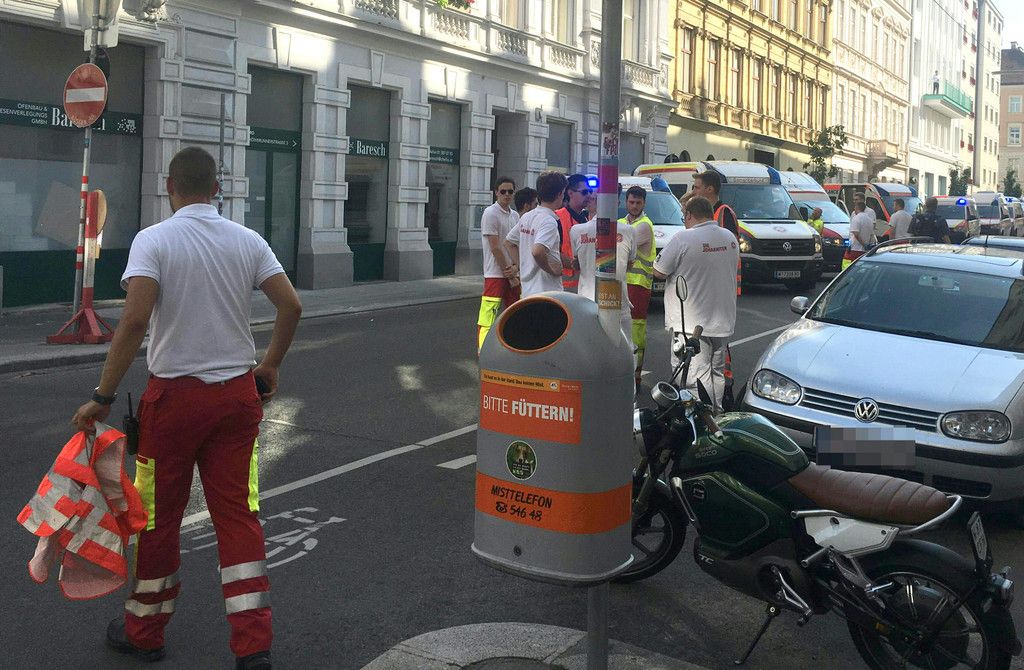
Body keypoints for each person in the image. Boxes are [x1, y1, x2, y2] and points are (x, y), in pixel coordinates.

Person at [71, 147, 302, 670]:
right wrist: (270, 365)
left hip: (173, 402)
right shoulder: (248, 241)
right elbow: (290, 304)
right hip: (236, 399)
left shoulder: (154, 240)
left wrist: (103, 397)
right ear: (216, 189)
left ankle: (145, 632)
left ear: (169, 186)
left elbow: (134, 321)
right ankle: (253, 645)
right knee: (238, 516)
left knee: (157, 519)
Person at [653, 197, 739, 414]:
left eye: (684, 217)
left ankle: (701, 420)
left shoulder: (683, 238)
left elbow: (659, 271)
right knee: (717, 373)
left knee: (694, 377)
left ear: (689, 215)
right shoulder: (729, 238)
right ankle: (717, 415)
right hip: (722, 320)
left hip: (690, 323)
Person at [570, 202, 637, 344]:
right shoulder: (628, 230)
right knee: (624, 347)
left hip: (586, 300)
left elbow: (577, 262)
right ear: (617, 202)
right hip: (616, 299)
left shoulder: (576, 230)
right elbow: (629, 264)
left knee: (589, 346)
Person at [505, 171, 567, 298]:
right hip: (547, 292)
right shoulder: (549, 221)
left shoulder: (527, 216)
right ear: (560, 194)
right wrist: (552, 269)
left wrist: (523, 266)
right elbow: (538, 251)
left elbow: (509, 243)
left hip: (527, 291)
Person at [477, 177, 521, 352]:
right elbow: (495, 247)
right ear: (496, 192)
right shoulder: (490, 213)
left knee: (515, 314)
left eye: (510, 191)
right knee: (488, 317)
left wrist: (516, 268)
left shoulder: (515, 215)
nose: (507, 195)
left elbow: (516, 244)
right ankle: (483, 351)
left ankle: (513, 348)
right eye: (503, 191)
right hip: (495, 274)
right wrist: (509, 273)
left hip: (513, 272)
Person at [681, 170, 741, 294]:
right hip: (708, 279)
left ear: (709, 189)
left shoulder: (724, 212)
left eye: (696, 188)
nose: (693, 192)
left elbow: (729, 247)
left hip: (721, 281)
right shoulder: (702, 213)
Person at [619, 186, 656, 390]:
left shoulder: (644, 225)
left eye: (638, 203)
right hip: (623, 283)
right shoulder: (622, 223)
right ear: (626, 202)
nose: (634, 206)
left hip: (639, 286)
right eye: (631, 202)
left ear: (644, 204)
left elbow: (620, 246)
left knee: (636, 332)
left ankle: (636, 375)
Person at [555, 174, 592, 292]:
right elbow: (552, 252)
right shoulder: (557, 217)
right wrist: (575, 264)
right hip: (565, 285)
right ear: (570, 193)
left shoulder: (586, 218)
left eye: (590, 191)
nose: (589, 195)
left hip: (584, 285)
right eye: (584, 192)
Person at [844, 201, 876, 268]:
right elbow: (871, 235)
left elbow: (856, 234)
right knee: (862, 268)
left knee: (850, 267)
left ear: (856, 208)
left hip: (855, 249)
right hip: (864, 251)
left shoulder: (856, 218)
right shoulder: (869, 220)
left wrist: (864, 245)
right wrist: (868, 245)